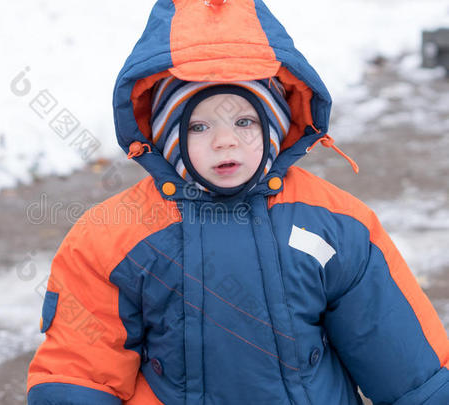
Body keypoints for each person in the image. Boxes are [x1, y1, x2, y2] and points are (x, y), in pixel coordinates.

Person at [27, 0, 449, 404]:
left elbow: (396, 347)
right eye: (198, 125)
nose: (224, 140)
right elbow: (80, 368)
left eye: (245, 121)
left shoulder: (333, 223)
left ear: (275, 128)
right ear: (166, 139)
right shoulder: (113, 237)